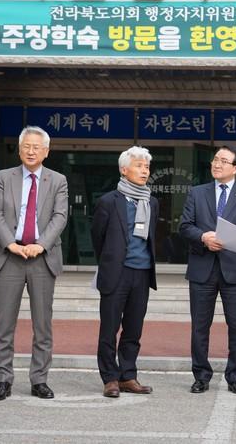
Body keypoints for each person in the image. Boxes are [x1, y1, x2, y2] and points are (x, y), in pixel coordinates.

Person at [0, 126, 68, 401]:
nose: (31, 151)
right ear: (19, 149)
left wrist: (41, 244)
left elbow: (60, 216)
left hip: (42, 258)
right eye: (26, 146)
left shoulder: (58, 180)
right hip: (9, 256)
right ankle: (2, 380)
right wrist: (10, 243)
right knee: (4, 323)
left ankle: (39, 380)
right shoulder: (3, 177)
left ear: (46, 151)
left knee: (42, 324)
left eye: (36, 147)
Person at [179, 145, 236, 394]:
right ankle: (201, 376)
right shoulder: (197, 192)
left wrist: (226, 237)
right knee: (199, 327)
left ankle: (235, 377)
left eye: (224, 161)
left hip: (235, 269)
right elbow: (185, 225)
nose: (217, 164)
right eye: (215, 159)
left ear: (235, 168)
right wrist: (203, 237)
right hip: (202, 267)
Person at [91, 146, 159, 398]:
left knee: (134, 329)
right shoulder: (109, 201)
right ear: (124, 169)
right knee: (109, 328)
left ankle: (128, 375)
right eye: (139, 166)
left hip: (142, 273)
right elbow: (98, 237)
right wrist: (110, 262)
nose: (144, 171)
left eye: (147, 167)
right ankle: (110, 378)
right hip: (116, 273)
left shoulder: (151, 202)